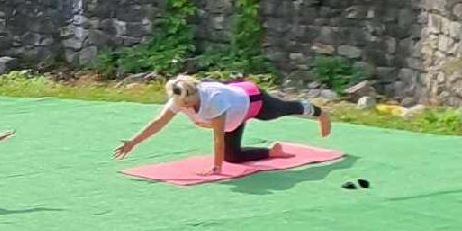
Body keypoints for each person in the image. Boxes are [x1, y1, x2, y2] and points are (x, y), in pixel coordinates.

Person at [114, 74, 331, 174]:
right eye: (181, 103)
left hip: (253, 101)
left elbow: (218, 136)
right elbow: (158, 123)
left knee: (282, 110)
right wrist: (132, 143)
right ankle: (272, 152)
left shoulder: (212, 100)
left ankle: (319, 112)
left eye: (187, 103)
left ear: (195, 94)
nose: (185, 107)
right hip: (233, 114)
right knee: (233, 157)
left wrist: (216, 168)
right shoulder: (179, 97)